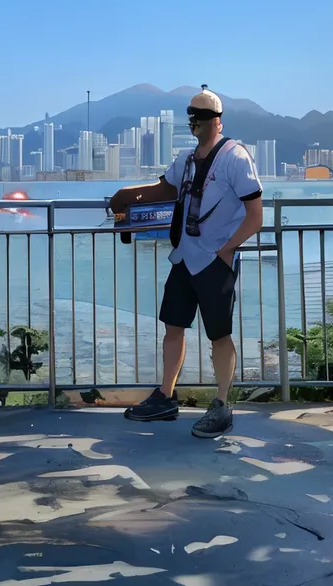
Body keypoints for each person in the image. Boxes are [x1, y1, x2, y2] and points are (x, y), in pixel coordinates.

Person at [109, 86, 263, 437]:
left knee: (219, 334)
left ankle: (222, 404)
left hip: (214, 260)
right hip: (185, 257)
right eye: (192, 115)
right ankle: (166, 395)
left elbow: (255, 215)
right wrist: (126, 197)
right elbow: (165, 188)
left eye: (202, 117)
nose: (196, 122)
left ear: (217, 121)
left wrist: (227, 251)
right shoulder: (188, 159)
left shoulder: (236, 158)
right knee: (173, 326)